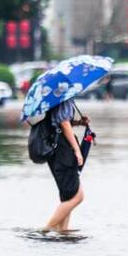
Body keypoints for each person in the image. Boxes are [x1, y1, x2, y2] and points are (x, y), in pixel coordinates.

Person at [44, 99, 90, 232]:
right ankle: (45, 230)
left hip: (55, 147)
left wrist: (78, 122)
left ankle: (62, 233)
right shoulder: (62, 95)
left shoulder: (60, 96)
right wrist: (77, 150)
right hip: (62, 150)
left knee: (68, 196)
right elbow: (64, 123)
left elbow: (60, 122)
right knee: (77, 196)